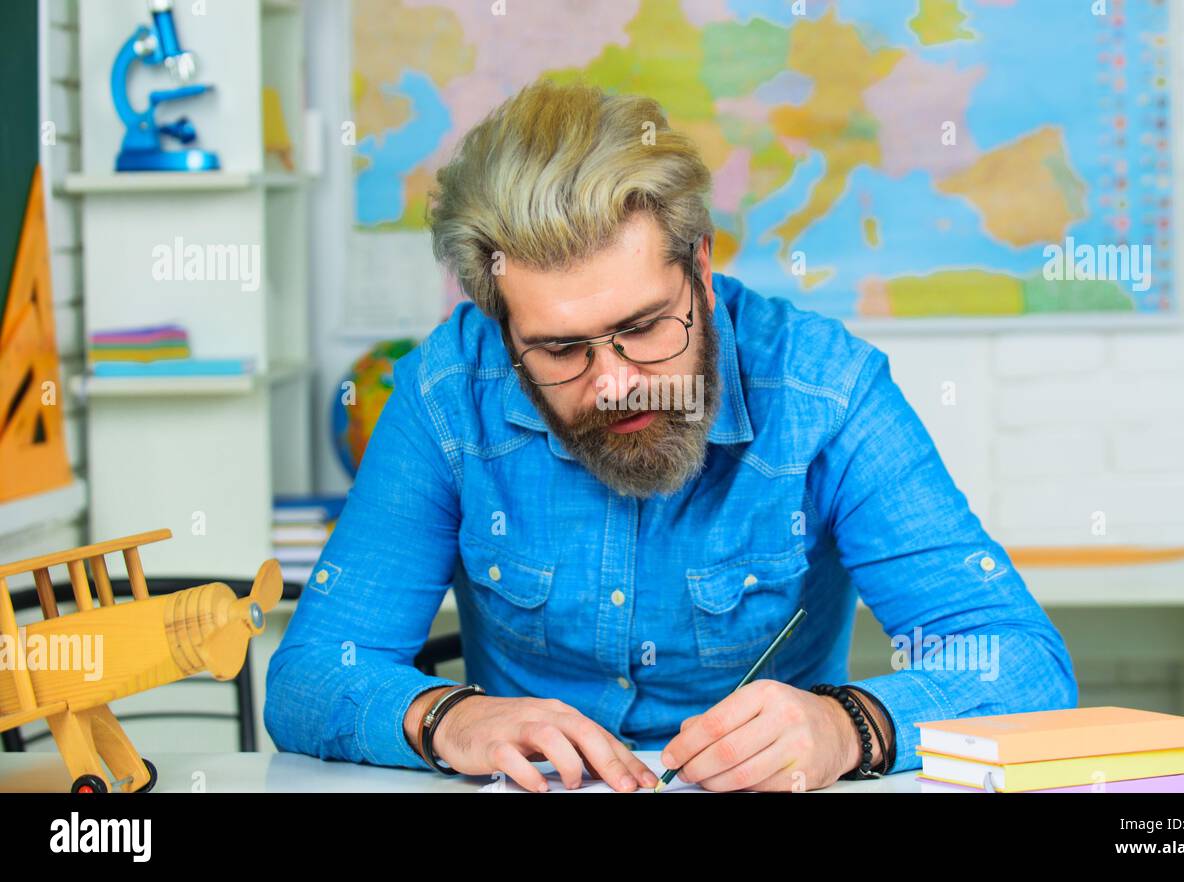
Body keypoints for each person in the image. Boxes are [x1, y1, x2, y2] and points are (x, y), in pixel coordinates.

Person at [265, 78, 1077, 793]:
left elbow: (1021, 662)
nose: (613, 384)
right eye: (558, 349)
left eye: (645, 326)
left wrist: (850, 727)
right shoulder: (447, 395)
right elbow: (307, 678)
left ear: (703, 266)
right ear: (498, 325)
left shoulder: (827, 392)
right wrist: (445, 718)